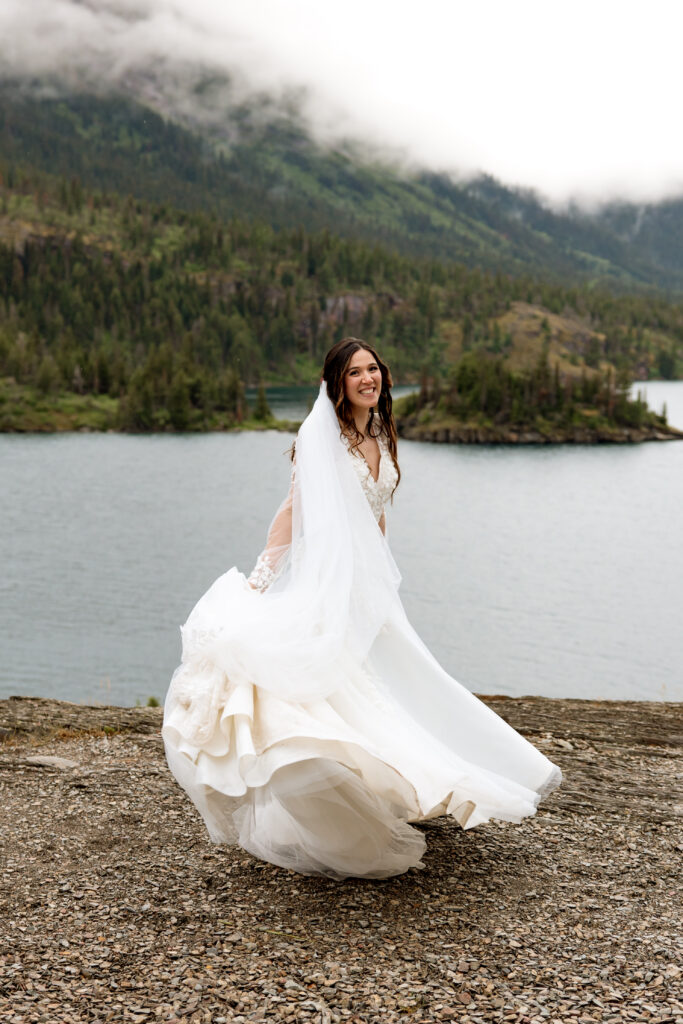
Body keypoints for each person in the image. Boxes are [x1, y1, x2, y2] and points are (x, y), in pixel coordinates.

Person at [162, 338, 562, 879]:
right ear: (337, 383)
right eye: (356, 372)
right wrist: (259, 580)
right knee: (330, 696)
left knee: (392, 688)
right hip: (328, 590)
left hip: (369, 590)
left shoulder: (381, 431)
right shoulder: (320, 439)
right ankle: (334, 809)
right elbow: (290, 512)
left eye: (373, 369)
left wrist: (382, 581)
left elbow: (376, 514)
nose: (368, 378)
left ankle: (407, 782)